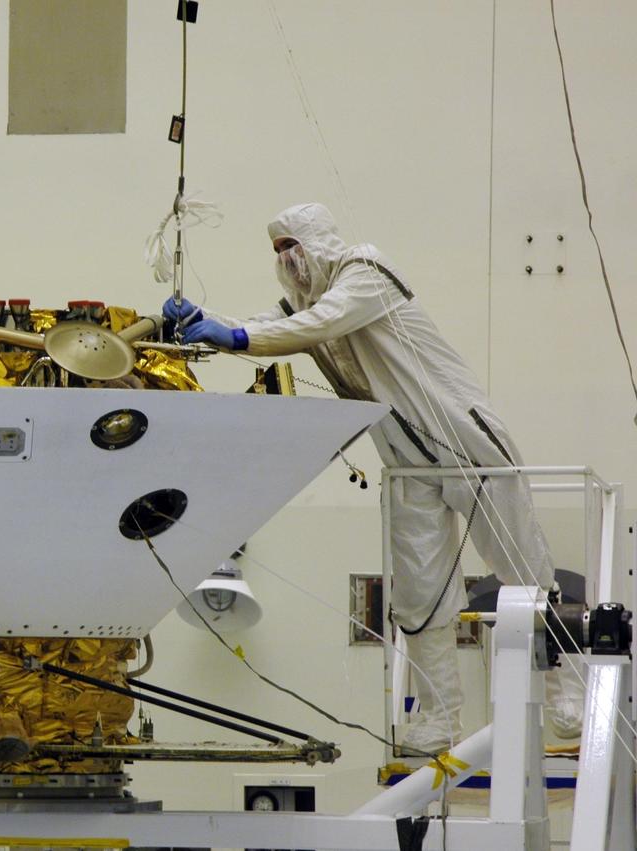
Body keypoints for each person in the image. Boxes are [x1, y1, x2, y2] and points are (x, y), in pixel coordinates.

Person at [164, 202, 583, 752]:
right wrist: (203, 323)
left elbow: (313, 325)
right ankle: (440, 719)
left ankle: (566, 690)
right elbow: (273, 325)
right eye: (277, 251)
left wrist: (235, 337)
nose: (287, 260)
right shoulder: (304, 304)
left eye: (293, 245)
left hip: (469, 445)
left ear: (320, 241)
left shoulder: (366, 273)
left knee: (523, 573)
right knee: (418, 594)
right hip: (406, 463)